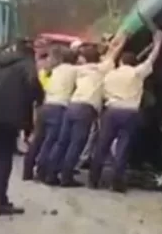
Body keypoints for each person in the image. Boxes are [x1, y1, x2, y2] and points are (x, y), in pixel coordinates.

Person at [43, 37, 123, 187]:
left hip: (72, 106)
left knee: (62, 142)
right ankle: (66, 177)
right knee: (76, 144)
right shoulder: (102, 69)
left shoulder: (80, 70)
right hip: (86, 109)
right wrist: (122, 41)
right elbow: (113, 54)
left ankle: (51, 174)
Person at [91, 31, 162, 192]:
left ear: (121, 62)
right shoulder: (137, 73)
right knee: (123, 146)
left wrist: (120, 42)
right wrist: (158, 43)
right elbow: (151, 59)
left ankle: (94, 178)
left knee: (103, 144)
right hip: (130, 113)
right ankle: (117, 182)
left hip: (111, 111)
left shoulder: (110, 74)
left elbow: (109, 58)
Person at [0, 39, 41, 216]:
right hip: (10, 117)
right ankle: (0, 202)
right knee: (4, 158)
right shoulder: (26, 63)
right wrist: (36, 100)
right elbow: (33, 85)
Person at [30, 47, 77, 182]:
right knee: (53, 141)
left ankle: (38, 169)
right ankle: (47, 171)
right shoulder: (73, 70)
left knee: (43, 140)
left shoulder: (53, 71)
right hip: (60, 107)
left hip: (46, 105)